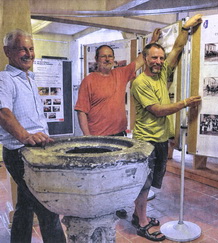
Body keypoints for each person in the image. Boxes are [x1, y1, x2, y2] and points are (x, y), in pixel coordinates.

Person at [130, 14, 203, 241]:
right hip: (146, 140)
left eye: (161, 58)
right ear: (145, 58)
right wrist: (184, 104)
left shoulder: (161, 74)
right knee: (145, 184)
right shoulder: (140, 82)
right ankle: (142, 223)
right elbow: (157, 110)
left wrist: (185, 29)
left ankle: (137, 215)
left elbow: (177, 50)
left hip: (160, 139)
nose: (159, 61)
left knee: (152, 181)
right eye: (154, 58)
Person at [74, 28, 160, 218]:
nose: (107, 59)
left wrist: (152, 42)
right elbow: (81, 111)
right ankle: (103, 207)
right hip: (99, 139)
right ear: (96, 60)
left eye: (110, 56)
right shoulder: (89, 81)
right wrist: (88, 138)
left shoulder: (120, 74)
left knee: (117, 174)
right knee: (102, 177)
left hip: (119, 136)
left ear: (113, 59)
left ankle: (116, 205)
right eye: (103, 56)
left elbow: (138, 61)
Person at [0, 29, 66, 243]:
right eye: (22, 49)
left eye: (31, 49)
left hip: (34, 151)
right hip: (21, 153)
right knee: (48, 207)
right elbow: (3, 112)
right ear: (7, 51)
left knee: (25, 205)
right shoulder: (5, 79)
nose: (28, 53)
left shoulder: (28, 78)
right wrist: (26, 137)